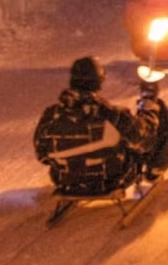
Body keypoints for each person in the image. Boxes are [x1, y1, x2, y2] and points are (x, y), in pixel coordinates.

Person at [33, 56, 157, 197]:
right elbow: (142, 138)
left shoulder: (51, 115)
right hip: (109, 182)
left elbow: (41, 155)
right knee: (138, 137)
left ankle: (76, 178)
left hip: (65, 183)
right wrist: (149, 111)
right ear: (98, 82)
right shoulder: (110, 114)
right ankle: (156, 170)